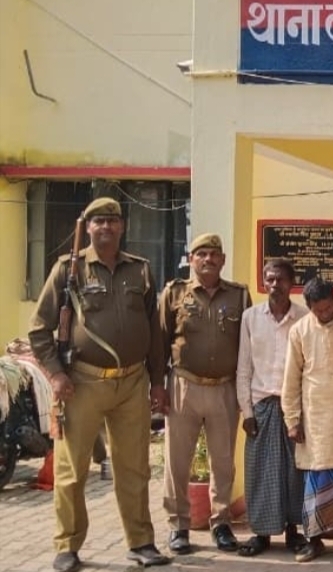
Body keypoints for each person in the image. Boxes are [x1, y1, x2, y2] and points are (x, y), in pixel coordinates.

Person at [28, 197, 170, 572]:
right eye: (98, 221)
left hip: (132, 383)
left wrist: (158, 382)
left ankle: (141, 542)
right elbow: (39, 330)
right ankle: (67, 546)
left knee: (134, 468)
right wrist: (56, 375)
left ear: (122, 226)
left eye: (112, 220)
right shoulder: (68, 269)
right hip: (82, 384)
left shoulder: (140, 270)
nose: (106, 226)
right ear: (88, 227)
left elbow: (153, 333)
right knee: (72, 471)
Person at [160, 233, 252, 554]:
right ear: (191, 258)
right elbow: (160, 342)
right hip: (183, 386)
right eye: (201, 254)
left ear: (223, 260)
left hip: (224, 388)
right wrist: (157, 386)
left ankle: (221, 523)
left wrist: (245, 394)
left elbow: (247, 346)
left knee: (223, 462)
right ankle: (178, 525)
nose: (208, 259)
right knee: (177, 461)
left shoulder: (239, 296)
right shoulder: (174, 293)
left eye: (214, 254)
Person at [281, 278, 333, 564]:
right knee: (314, 486)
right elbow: (291, 380)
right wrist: (292, 420)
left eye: (328, 308)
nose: (324, 314)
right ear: (309, 307)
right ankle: (313, 541)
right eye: (318, 311)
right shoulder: (299, 331)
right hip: (314, 421)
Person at [235, 258, 309, 557]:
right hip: (262, 406)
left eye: (281, 279)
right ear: (264, 282)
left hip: (294, 408)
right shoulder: (251, 317)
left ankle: (294, 532)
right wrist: (247, 412)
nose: (275, 285)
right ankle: (261, 534)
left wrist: (302, 413)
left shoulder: (304, 318)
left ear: (292, 283)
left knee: (294, 472)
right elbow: (243, 368)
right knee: (260, 472)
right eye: (269, 279)